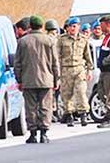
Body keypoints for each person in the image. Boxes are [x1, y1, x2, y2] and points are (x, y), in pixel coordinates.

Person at [14, 15, 60, 144]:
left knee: (31, 108)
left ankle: (33, 134)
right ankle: (44, 133)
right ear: (41, 26)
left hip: (28, 80)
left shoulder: (23, 42)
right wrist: (57, 80)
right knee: (45, 106)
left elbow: (17, 63)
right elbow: (55, 63)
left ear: (30, 26)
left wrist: (19, 80)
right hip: (46, 79)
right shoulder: (49, 40)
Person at [58, 17, 94, 127]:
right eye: (70, 26)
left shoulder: (83, 39)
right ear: (67, 28)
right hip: (66, 69)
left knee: (81, 92)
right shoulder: (61, 39)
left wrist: (90, 70)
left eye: (75, 26)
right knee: (66, 94)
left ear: (78, 27)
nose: (72, 29)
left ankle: (83, 114)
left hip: (79, 69)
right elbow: (57, 56)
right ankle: (69, 115)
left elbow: (87, 56)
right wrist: (58, 72)